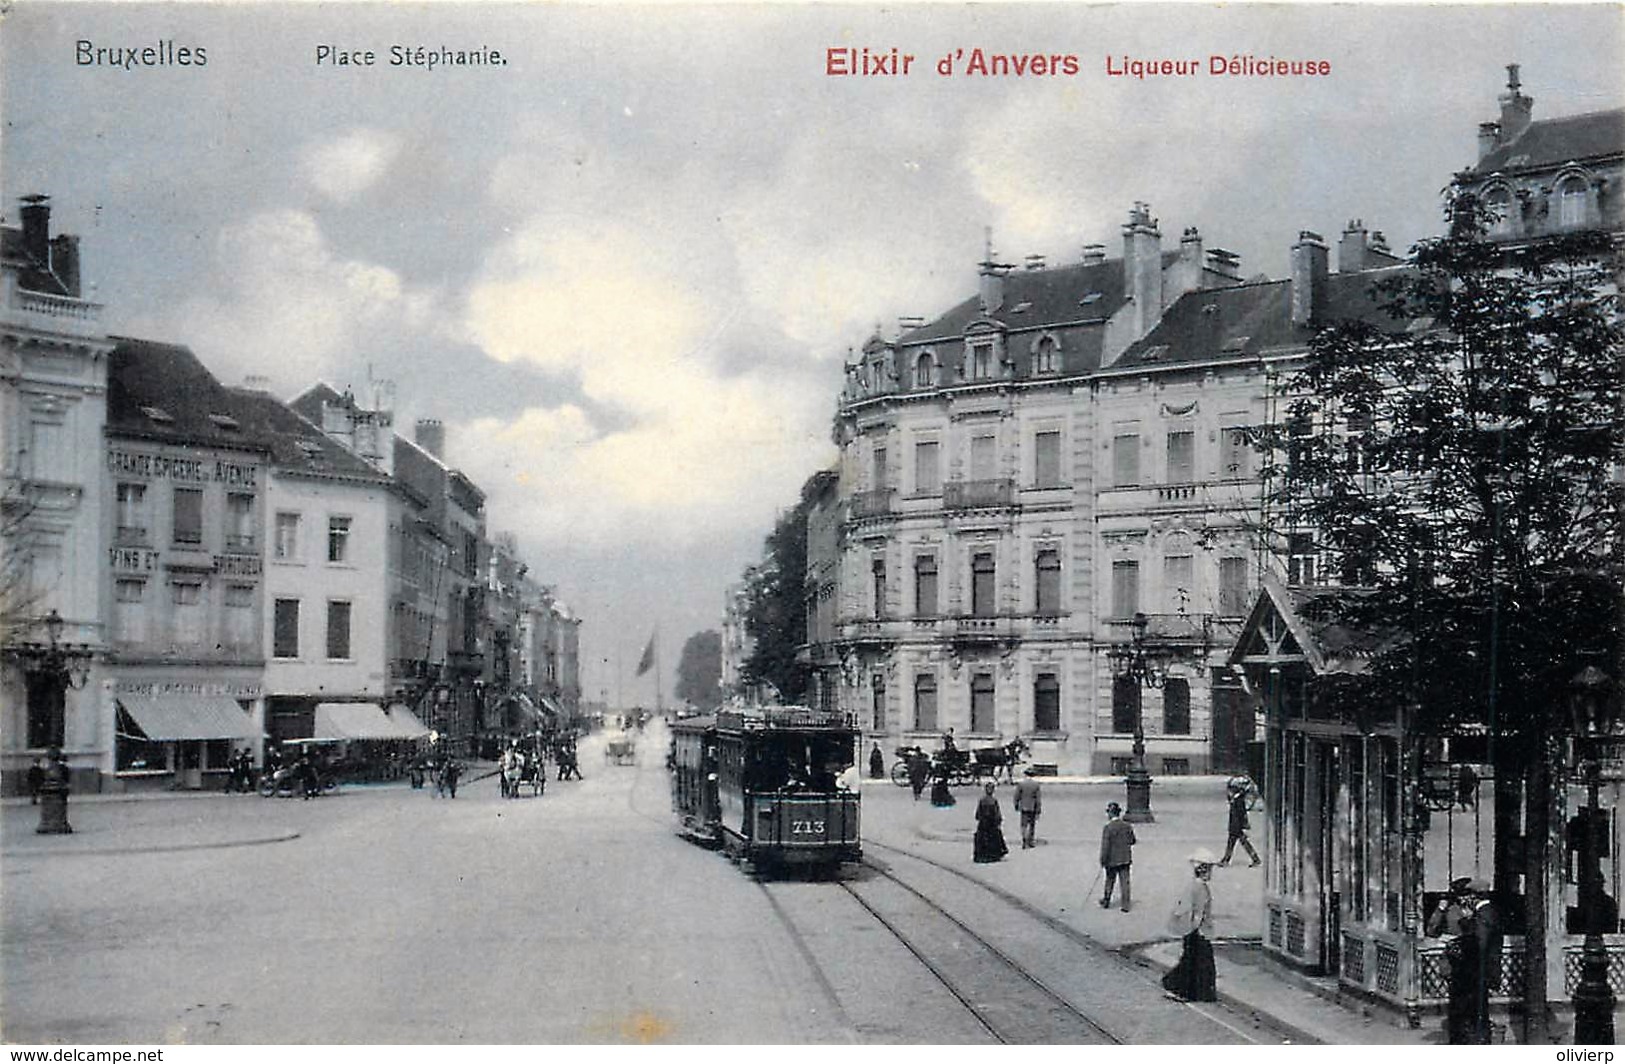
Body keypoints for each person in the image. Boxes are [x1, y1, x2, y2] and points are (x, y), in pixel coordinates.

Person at [1445, 878, 1502, 1044]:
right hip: (1480, 971)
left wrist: (1458, 945)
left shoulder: (1483, 914)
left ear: (1474, 896)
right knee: (1477, 1011)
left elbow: (1479, 944)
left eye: (1468, 895)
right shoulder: (1488, 911)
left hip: (1477, 972)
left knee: (1474, 1012)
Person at [1162, 849, 1218, 1002]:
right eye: (1208, 869)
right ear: (1202, 870)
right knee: (1197, 963)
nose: (1210, 872)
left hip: (1194, 930)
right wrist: (1197, 930)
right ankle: (1183, 990)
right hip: (1198, 931)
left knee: (1191, 961)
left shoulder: (1195, 885)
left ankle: (1181, 988)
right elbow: (1198, 911)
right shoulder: (1200, 888)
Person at [1099, 802, 1137, 912]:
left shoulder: (1108, 828)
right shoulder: (1127, 826)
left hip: (1112, 859)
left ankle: (1106, 900)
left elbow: (1105, 846)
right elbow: (1132, 840)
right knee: (1125, 882)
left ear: (1110, 814)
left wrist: (1103, 859)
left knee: (1110, 880)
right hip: (1125, 858)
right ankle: (1125, 905)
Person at [1219, 782, 1261, 867]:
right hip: (1235, 825)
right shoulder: (1236, 799)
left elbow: (1240, 813)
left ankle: (1226, 859)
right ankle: (1254, 858)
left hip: (1236, 826)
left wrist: (1242, 824)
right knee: (1240, 843)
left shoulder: (1238, 800)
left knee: (1236, 843)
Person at [973, 782, 1008, 863]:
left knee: (982, 839)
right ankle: (993, 855)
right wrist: (998, 821)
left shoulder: (982, 800)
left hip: (983, 823)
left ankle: (982, 855)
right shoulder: (993, 801)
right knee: (994, 839)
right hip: (991, 823)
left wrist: (979, 817)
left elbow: (978, 813)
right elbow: (996, 812)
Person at [1012, 766, 1042, 849]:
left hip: (1023, 806)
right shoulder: (1036, 785)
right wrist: (1038, 809)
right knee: (1032, 825)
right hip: (1032, 807)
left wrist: (1016, 804)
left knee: (1024, 825)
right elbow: (1038, 798)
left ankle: (1024, 839)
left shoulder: (1021, 784)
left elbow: (1016, 796)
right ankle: (1030, 840)